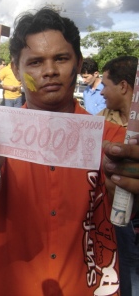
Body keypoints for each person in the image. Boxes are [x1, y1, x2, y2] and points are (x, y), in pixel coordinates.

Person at [0, 7, 139, 295]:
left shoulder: (113, 143)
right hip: (12, 284)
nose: (49, 71)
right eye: (35, 61)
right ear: (16, 69)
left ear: (78, 62)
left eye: (61, 58)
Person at [97, 55, 139, 296]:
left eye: (105, 84)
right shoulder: (100, 121)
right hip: (115, 221)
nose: (101, 92)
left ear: (123, 86)